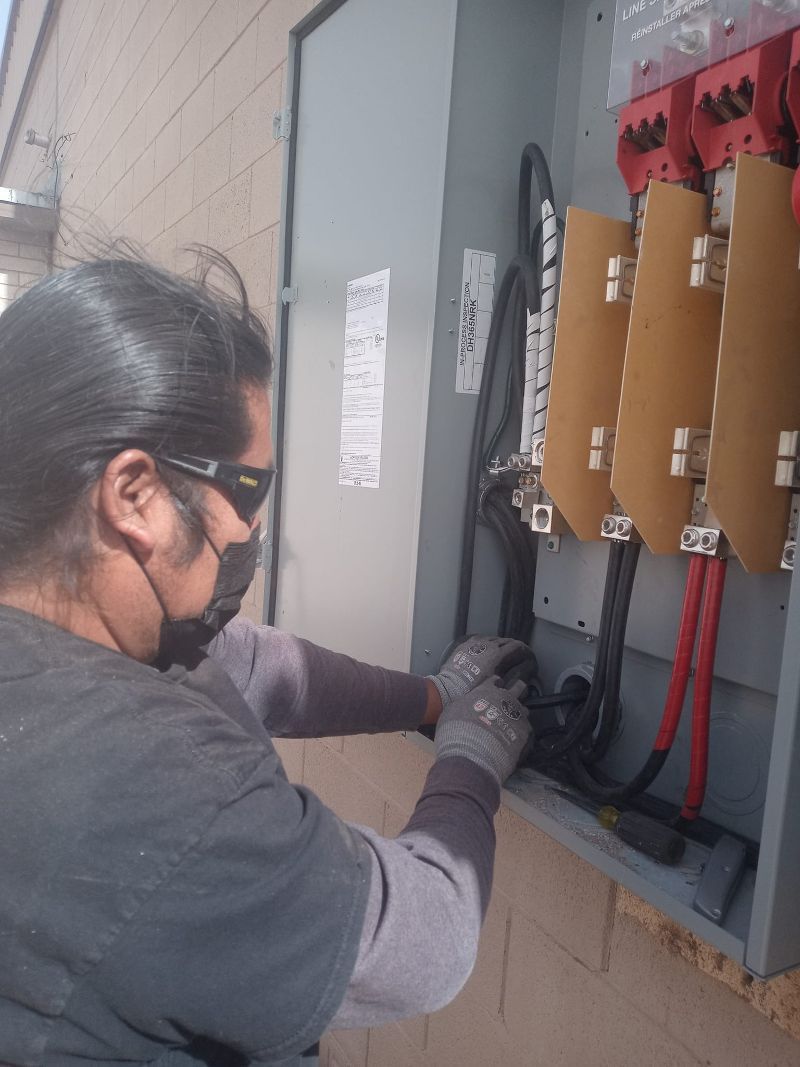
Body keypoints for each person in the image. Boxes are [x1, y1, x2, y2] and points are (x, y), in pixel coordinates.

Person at [0, 252, 536, 1067]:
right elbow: (422, 944)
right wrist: (473, 754)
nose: (253, 530)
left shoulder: (62, 632)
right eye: (249, 490)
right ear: (135, 495)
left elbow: (262, 669)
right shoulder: (152, 789)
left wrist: (433, 697)